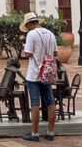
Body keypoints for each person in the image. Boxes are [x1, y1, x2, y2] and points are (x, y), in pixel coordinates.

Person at [21, 12, 57, 142]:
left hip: (34, 73)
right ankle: (50, 132)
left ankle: (35, 133)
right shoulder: (50, 34)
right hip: (47, 73)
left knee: (35, 102)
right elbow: (56, 53)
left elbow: (28, 53)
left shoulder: (31, 34)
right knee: (50, 101)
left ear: (30, 23)